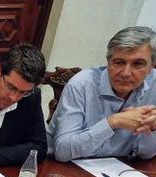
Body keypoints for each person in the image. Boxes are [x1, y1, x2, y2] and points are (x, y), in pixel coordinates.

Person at [48, 26, 156, 162]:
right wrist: (113, 122)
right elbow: (62, 151)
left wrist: (151, 129)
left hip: (117, 172)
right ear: (108, 61)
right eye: (119, 63)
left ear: (151, 66)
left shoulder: (154, 85)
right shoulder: (82, 84)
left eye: (138, 64)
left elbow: (146, 155)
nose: (126, 73)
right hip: (68, 168)